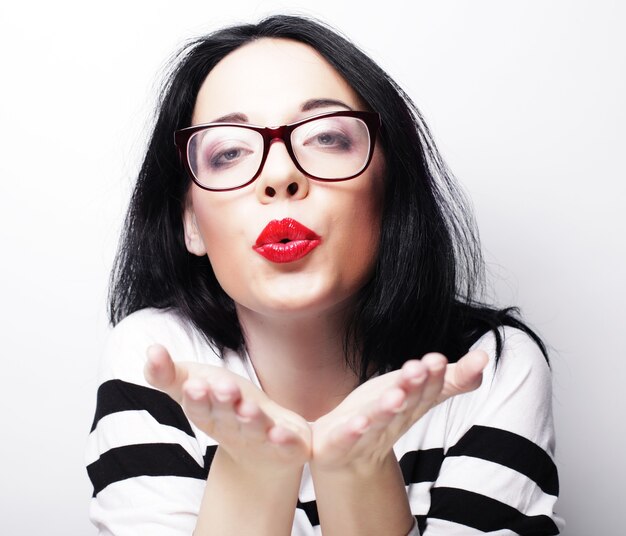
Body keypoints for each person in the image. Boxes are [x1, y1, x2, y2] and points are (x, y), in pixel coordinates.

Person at [86, 14, 563, 536]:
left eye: (327, 138)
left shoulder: (486, 368)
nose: (280, 175)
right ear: (191, 223)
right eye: (228, 152)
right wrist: (254, 474)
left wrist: (357, 476)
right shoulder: (160, 358)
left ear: (390, 189)